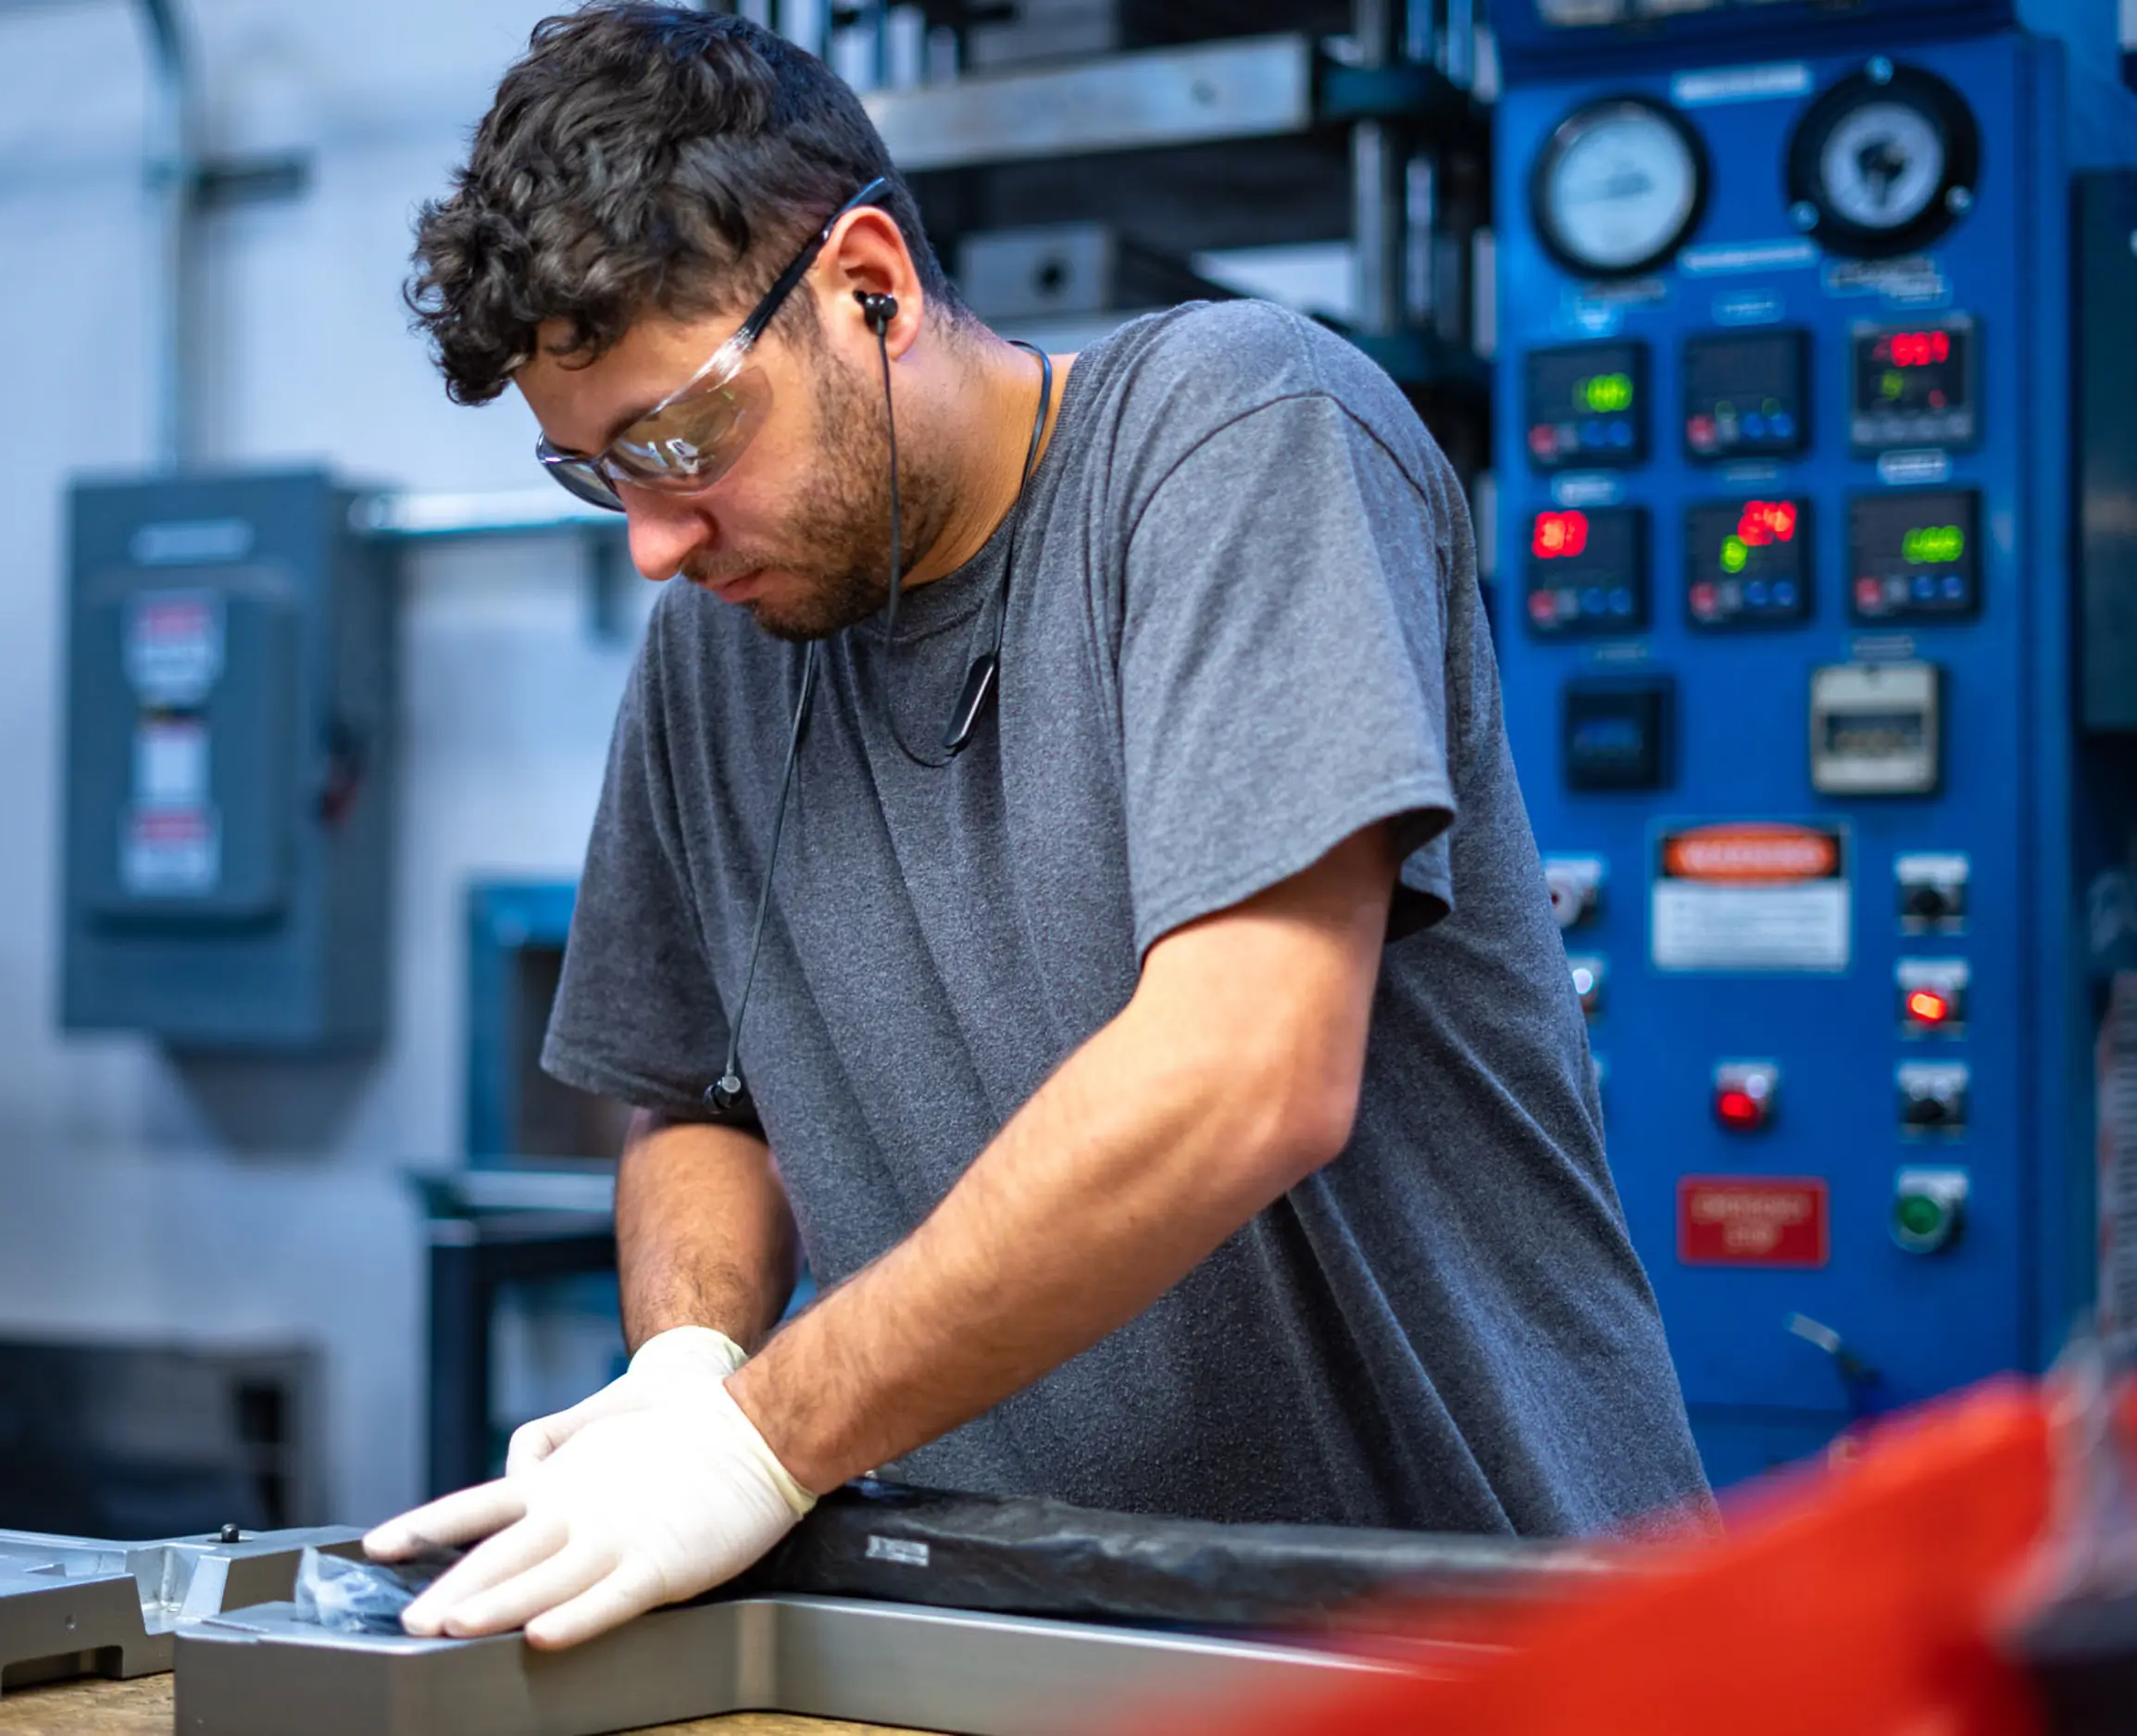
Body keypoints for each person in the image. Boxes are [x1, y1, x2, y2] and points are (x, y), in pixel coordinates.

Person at [363, 0, 1713, 1651]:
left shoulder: (1234, 435)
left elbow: (1247, 1072)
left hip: (1475, 1638)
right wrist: (685, 1368)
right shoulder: (722, 643)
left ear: (870, 286)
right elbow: (697, 1094)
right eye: (598, 475)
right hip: (1029, 1642)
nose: (654, 540)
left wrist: (764, 1436)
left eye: (681, 439)